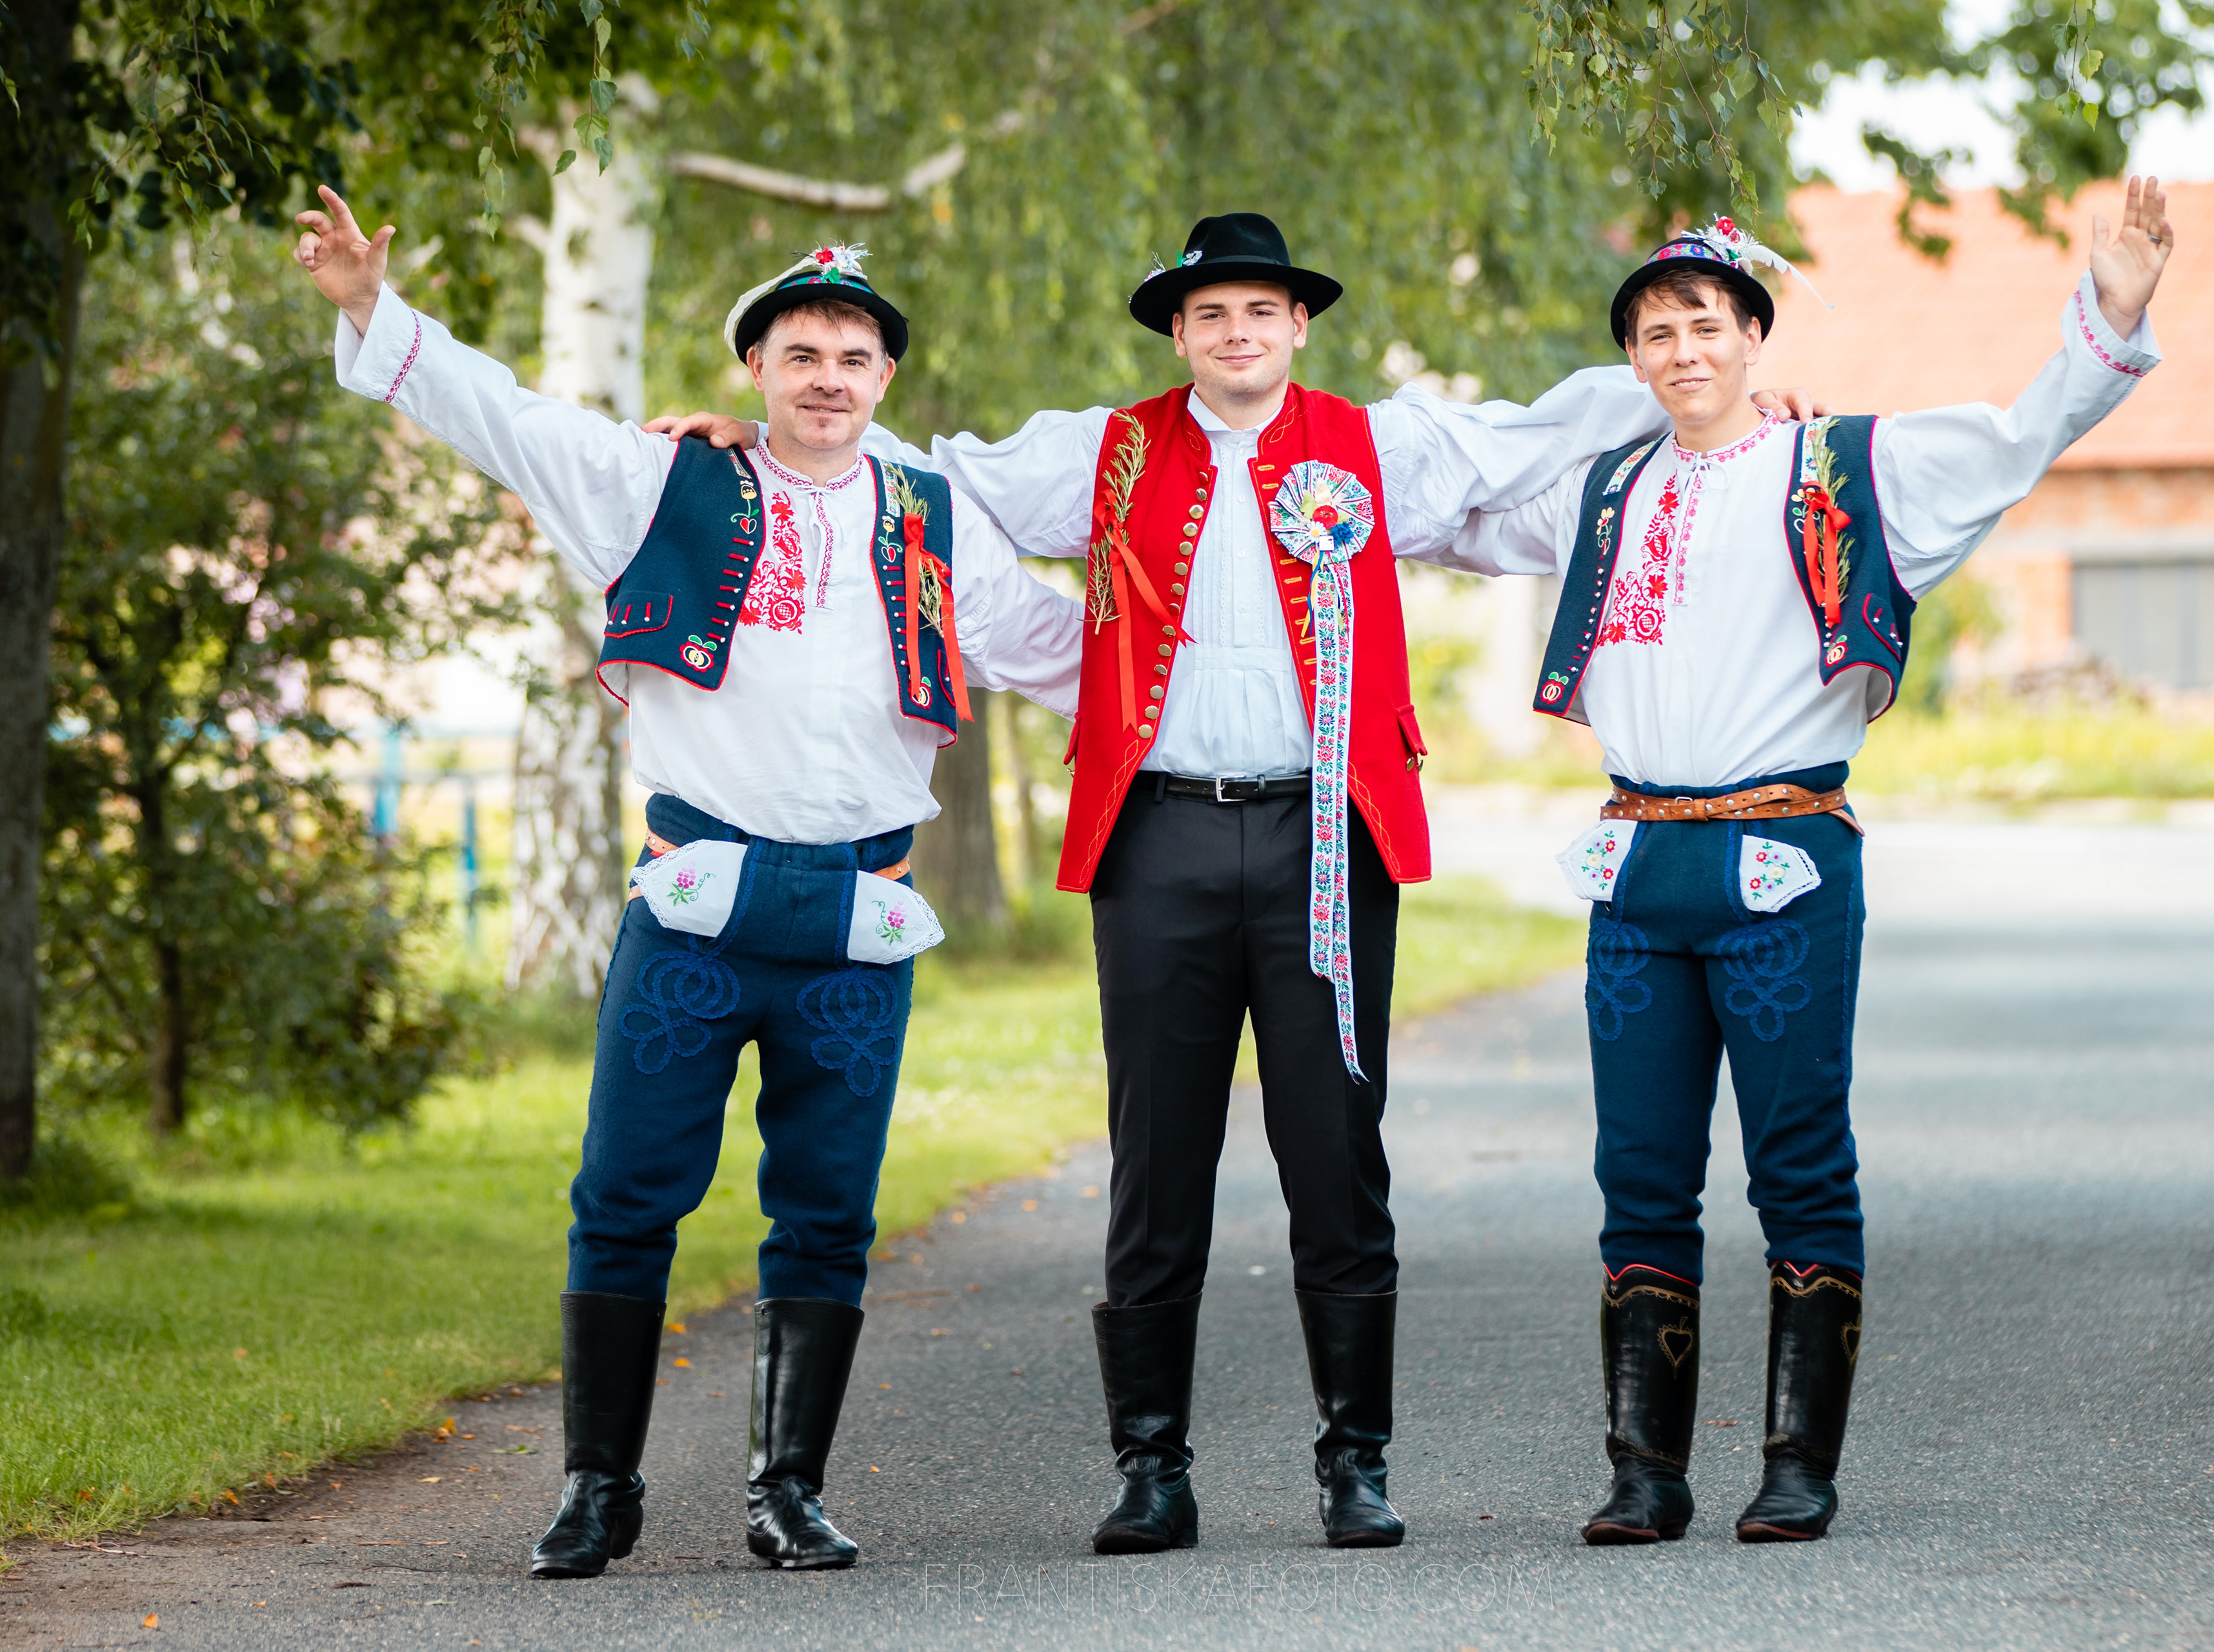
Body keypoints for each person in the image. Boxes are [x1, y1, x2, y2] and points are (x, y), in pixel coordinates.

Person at [656, 212, 1820, 1554]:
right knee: (1157, 1157)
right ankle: (1151, 1468)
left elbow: (1543, 427)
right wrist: (771, 438)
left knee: (1336, 1149)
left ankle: (1355, 1462)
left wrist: (1734, 399)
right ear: (1178, 331)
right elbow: (939, 478)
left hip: (1327, 830)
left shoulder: (1383, 444)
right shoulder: (1104, 449)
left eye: (1261, 310)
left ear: (1298, 325)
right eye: (1210, 313)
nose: (1237, 332)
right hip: (1159, 838)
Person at [290, 187, 1083, 1578]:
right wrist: (372, 307)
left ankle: (789, 1491)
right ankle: (598, 1489)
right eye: (801, 355)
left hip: (858, 923)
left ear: (886, 381)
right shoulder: (665, 482)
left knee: (828, 1211)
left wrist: (1267, 694)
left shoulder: (937, 521)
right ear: (754, 368)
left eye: (854, 358)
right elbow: (509, 419)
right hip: (695, 909)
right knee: (626, 1192)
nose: (827, 379)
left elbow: (1075, 651)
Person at [1439, 181, 2174, 1546]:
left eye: (1706, 325)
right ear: (1633, 358)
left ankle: (1797, 1466)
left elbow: (2022, 439)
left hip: (1785, 858)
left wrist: (2110, 314)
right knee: (1638, 1170)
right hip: (1637, 869)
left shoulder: (1847, 467)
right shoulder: (1603, 490)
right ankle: (1645, 1471)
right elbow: (1451, 514)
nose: (1683, 352)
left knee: (1798, 1162)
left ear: (1754, 336)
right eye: (1657, 333)